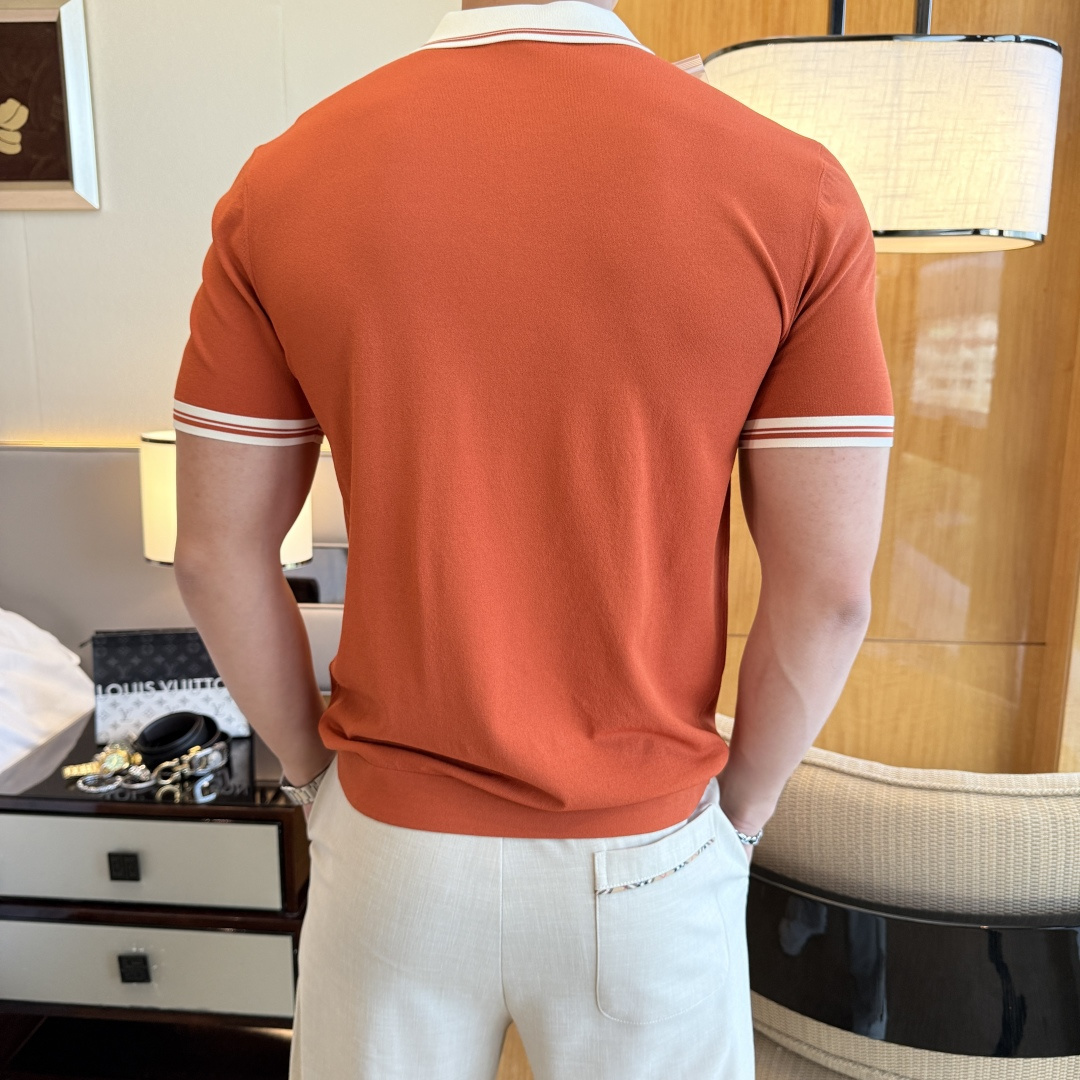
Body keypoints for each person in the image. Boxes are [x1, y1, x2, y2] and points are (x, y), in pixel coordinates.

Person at [172, 1, 892, 1076]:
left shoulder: (283, 182)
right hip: (648, 856)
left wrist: (313, 782)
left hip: (391, 853)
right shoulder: (795, 189)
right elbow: (829, 594)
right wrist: (737, 819)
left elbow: (213, 556)